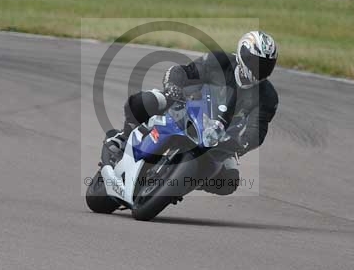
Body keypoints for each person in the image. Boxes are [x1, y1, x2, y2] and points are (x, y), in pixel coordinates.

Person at [106, 30, 279, 195]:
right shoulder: (219, 61)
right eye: (255, 61)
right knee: (147, 101)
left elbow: (258, 128)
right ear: (243, 55)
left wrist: (243, 144)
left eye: (266, 65)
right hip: (185, 105)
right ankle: (122, 138)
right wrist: (173, 86)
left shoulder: (267, 96)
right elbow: (183, 71)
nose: (260, 68)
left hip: (219, 137)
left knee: (229, 181)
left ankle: (184, 181)